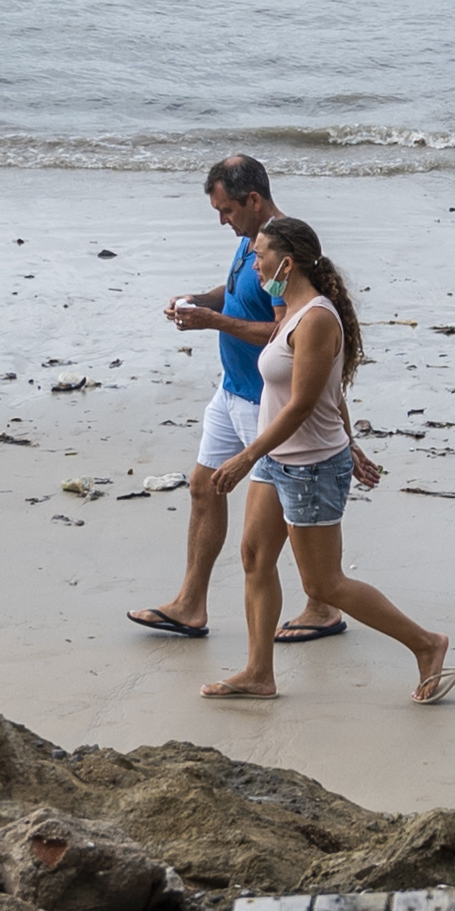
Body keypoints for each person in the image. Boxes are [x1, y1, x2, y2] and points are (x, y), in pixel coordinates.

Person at [197, 216, 455, 705]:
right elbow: (333, 392)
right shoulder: (292, 312)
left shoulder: (317, 318)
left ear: (288, 261)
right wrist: (348, 441)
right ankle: (260, 672)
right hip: (278, 461)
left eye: (259, 255)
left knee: (324, 583)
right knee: (255, 557)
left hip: (311, 467)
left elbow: (303, 404)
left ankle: (427, 644)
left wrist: (245, 456)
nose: (252, 264)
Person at [132, 155, 339, 646]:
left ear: (253, 200)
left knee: (289, 510)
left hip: (263, 399)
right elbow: (237, 294)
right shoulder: (250, 242)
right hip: (230, 390)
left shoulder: (281, 249)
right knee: (203, 487)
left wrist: (215, 323)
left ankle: (323, 603)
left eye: (226, 210)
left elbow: (286, 329)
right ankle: (190, 604)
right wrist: (201, 301)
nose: (222, 220)